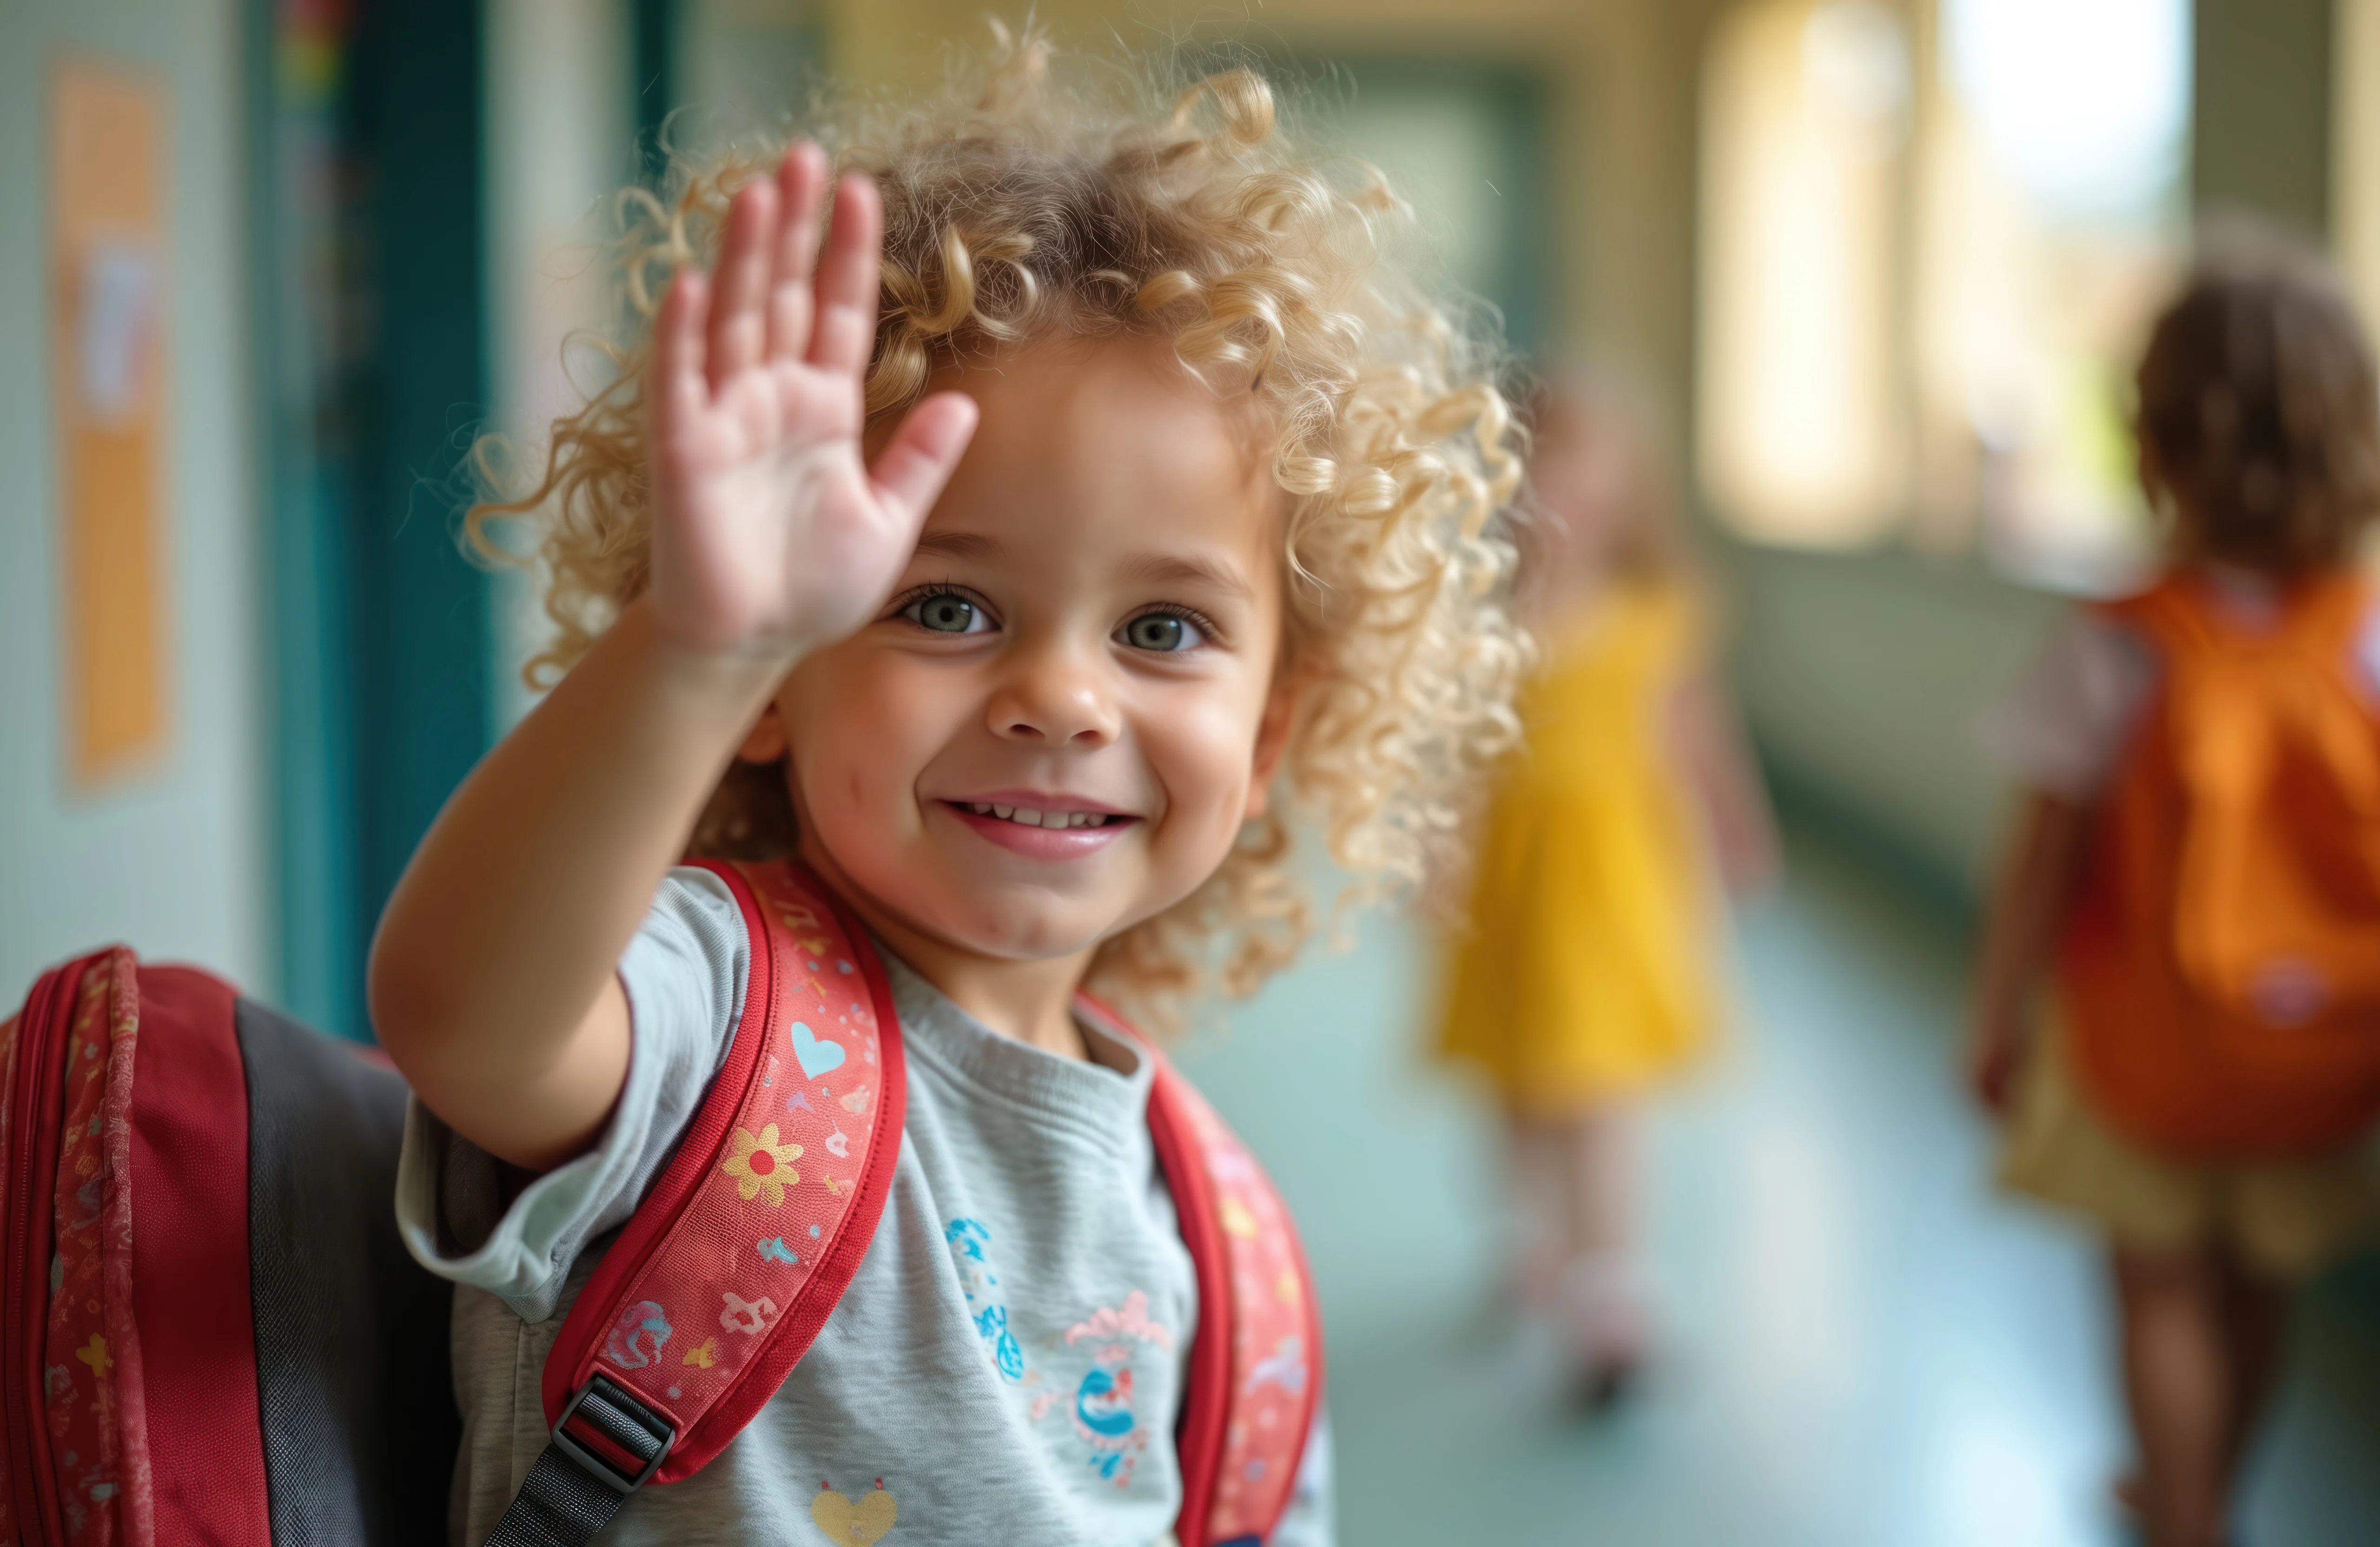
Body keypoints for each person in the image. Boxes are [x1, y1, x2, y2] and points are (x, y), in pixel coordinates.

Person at [365, 28, 1526, 1545]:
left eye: (1163, 629)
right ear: (781, 679)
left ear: (1272, 735)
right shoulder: (715, 1026)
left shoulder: (1223, 1234)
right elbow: (464, 1015)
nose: (1062, 695)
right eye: (947, 605)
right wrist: (698, 646)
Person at [1970, 252, 2380, 1547]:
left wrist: (1994, 1018)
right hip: (2315, 1051)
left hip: (2139, 1047)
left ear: (2152, 444)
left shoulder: (2115, 647)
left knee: (2158, 1289)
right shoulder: (2367, 639)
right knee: (2259, 1285)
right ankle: (2225, 1487)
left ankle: (2183, 1510)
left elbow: (2041, 865)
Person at [1434, 374, 1777, 1405]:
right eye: (1537, 464)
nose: (1559, 489)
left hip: (1614, 881)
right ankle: (1532, 1228)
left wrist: (1734, 827)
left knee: (1600, 1080)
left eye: (1583, 468)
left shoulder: (1653, 615)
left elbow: (1695, 737)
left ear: (1626, 488)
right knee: (1519, 1077)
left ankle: (1612, 1279)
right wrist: (1435, 856)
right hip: (1511, 883)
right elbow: (1458, 753)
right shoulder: (1483, 616)